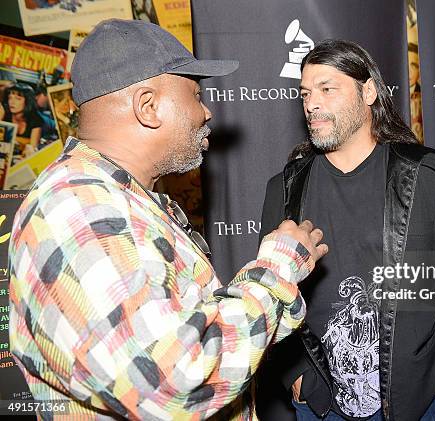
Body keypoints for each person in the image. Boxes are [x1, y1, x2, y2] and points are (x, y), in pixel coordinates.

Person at [8, 19, 328, 420]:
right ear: (148, 106)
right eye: (195, 94)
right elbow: (173, 381)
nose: (206, 111)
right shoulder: (79, 211)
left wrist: (272, 287)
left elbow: (191, 331)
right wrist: (276, 271)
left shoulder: (121, 200)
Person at [258, 40, 435, 421]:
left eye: (327, 89)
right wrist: (295, 375)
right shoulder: (283, 189)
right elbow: (268, 292)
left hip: (415, 406)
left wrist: (429, 375)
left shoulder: (428, 176)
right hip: (321, 405)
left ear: (368, 91)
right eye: (305, 93)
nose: (312, 103)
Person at [1, 82, 43, 159]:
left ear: (27, 101)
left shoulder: (36, 119)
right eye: (10, 97)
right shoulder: (4, 113)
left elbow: (32, 149)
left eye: (18, 99)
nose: (12, 102)